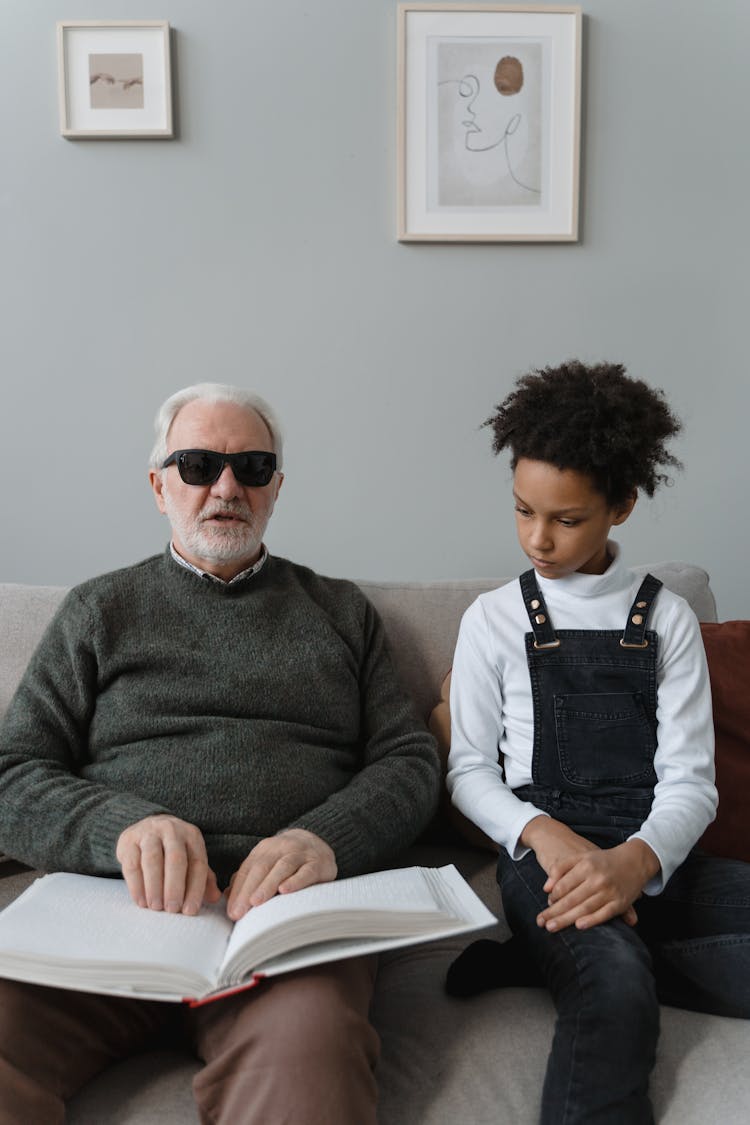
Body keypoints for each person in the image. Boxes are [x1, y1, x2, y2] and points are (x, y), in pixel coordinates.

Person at [0, 382, 440, 1125]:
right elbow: (13, 774)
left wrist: (324, 837)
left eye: (252, 466)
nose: (226, 486)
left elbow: (411, 760)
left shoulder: (341, 612)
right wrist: (122, 828)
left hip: (285, 925)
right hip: (110, 912)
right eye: (198, 464)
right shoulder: (98, 609)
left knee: (310, 1068)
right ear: (158, 485)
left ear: (276, 487)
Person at [444, 361, 750, 1124]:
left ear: (621, 506)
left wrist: (633, 863)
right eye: (522, 512)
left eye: (566, 519)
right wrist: (544, 834)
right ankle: (598, 961)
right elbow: (470, 769)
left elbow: (691, 784)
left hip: (653, 855)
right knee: (613, 990)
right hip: (543, 861)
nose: (537, 539)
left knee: (628, 959)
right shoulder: (493, 619)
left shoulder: (668, 618)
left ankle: (551, 961)